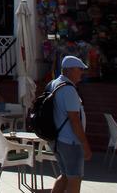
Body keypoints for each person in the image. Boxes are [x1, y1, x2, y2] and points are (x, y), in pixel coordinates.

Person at [46, 55, 92, 193]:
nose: (82, 73)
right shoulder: (69, 89)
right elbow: (74, 120)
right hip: (70, 141)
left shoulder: (53, 84)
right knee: (75, 179)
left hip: (56, 138)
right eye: (80, 69)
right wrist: (85, 145)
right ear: (70, 70)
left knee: (65, 175)